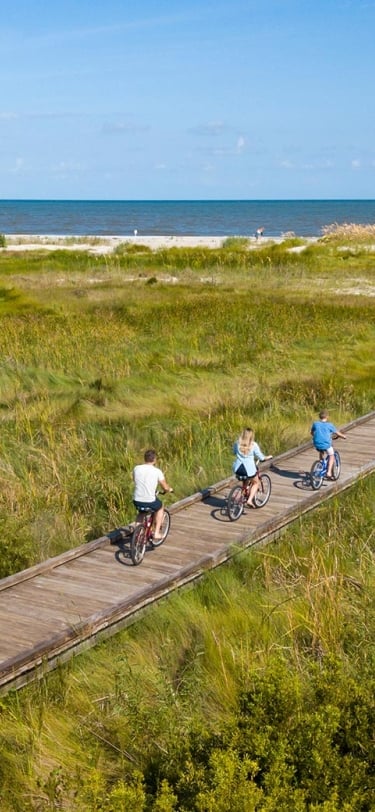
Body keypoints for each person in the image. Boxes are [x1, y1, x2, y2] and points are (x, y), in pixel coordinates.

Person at [132, 449, 173, 539]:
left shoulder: (136, 468)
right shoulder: (157, 471)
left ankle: (137, 534)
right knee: (160, 507)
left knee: (141, 513)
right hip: (149, 500)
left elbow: (135, 481)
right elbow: (165, 487)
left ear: (145, 458)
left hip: (137, 500)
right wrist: (169, 489)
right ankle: (156, 533)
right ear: (154, 460)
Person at [232, 427, 272, 507]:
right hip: (248, 470)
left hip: (238, 468)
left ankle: (241, 495)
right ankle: (250, 500)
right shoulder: (253, 445)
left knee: (245, 480)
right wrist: (267, 457)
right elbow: (261, 457)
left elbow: (234, 452)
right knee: (256, 482)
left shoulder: (237, 443)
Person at [310, 410, 346, 479]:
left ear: (319, 417)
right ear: (327, 417)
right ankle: (329, 472)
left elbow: (312, 432)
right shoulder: (330, 425)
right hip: (326, 444)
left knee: (321, 451)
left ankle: (321, 463)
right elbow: (337, 433)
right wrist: (344, 436)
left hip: (317, 443)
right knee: (331, 455)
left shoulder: (315, 424)